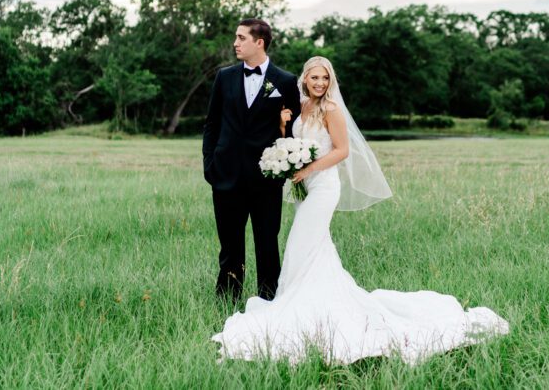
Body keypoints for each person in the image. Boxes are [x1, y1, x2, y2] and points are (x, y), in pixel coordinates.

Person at [212, 56, 509, 365]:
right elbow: (291, 141)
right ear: (305, 79)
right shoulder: (301, 106)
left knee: (302, 242)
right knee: (312, 247)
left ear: (330, 81)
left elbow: (342, 150)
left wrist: (309, 168)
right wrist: (284, 126)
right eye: (314, 78)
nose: (319, 83)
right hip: (305, 187)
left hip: (324, 187)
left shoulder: (331, 109)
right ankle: (307, 300)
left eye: (325, 78)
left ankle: (306, 306)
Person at [202, 19, 302, 301]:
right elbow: (212, 124)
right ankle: (227, 301)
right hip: (226, 174)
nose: (235, 43)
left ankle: (269, 301)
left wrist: (284, 165)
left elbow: (293, 130)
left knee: (267, 244)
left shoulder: (285, 81)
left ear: (259, 42)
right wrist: (210, 165)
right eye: (236, 37)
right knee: (230, 245)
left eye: (241, 38)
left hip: (266, 178)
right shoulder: (224, 77)